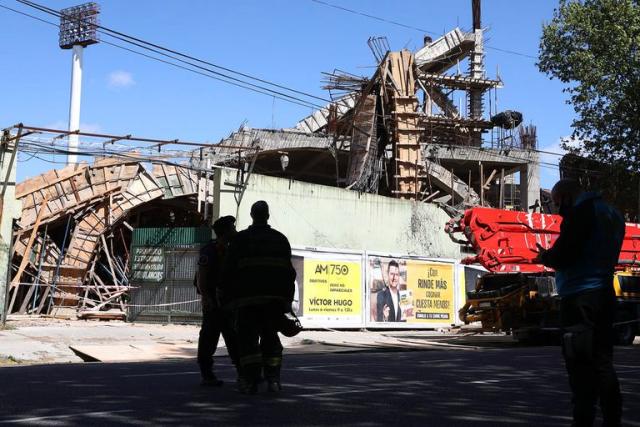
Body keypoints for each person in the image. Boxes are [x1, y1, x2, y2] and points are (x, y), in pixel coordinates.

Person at [535, 179, 624, 426]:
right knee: (604, 364)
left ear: (565, 197)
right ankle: (612, 420)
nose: (556, 208)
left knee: (580, 367)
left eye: (555, 202)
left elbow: (565, 255)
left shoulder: (580, 214)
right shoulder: (613, 214)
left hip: (579, 298)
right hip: (604, 294)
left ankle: (583, 420)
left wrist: (545, 256)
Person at [222, 201, 295, 394]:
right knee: (271, 339)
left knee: (248, 342)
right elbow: (289, 273)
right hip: (273, 302)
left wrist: (227, 300)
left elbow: (228, 272)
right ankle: (273, 380)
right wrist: (287, 300)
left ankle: (251, 381)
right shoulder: (280, 240)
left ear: (252, 215)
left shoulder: (241, 240)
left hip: (247, 302)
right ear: (268, 216)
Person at [195, 215, 238, 386]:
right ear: (225, 232)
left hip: (228, 303)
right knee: (208, 338)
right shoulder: (210, 250)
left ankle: (243, 371)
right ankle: (207, 375)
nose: (235, 231)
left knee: (234, 338)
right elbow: (202, 276)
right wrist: (206, 298)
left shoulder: (231, 249)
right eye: (232, 228)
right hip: (214, 303)